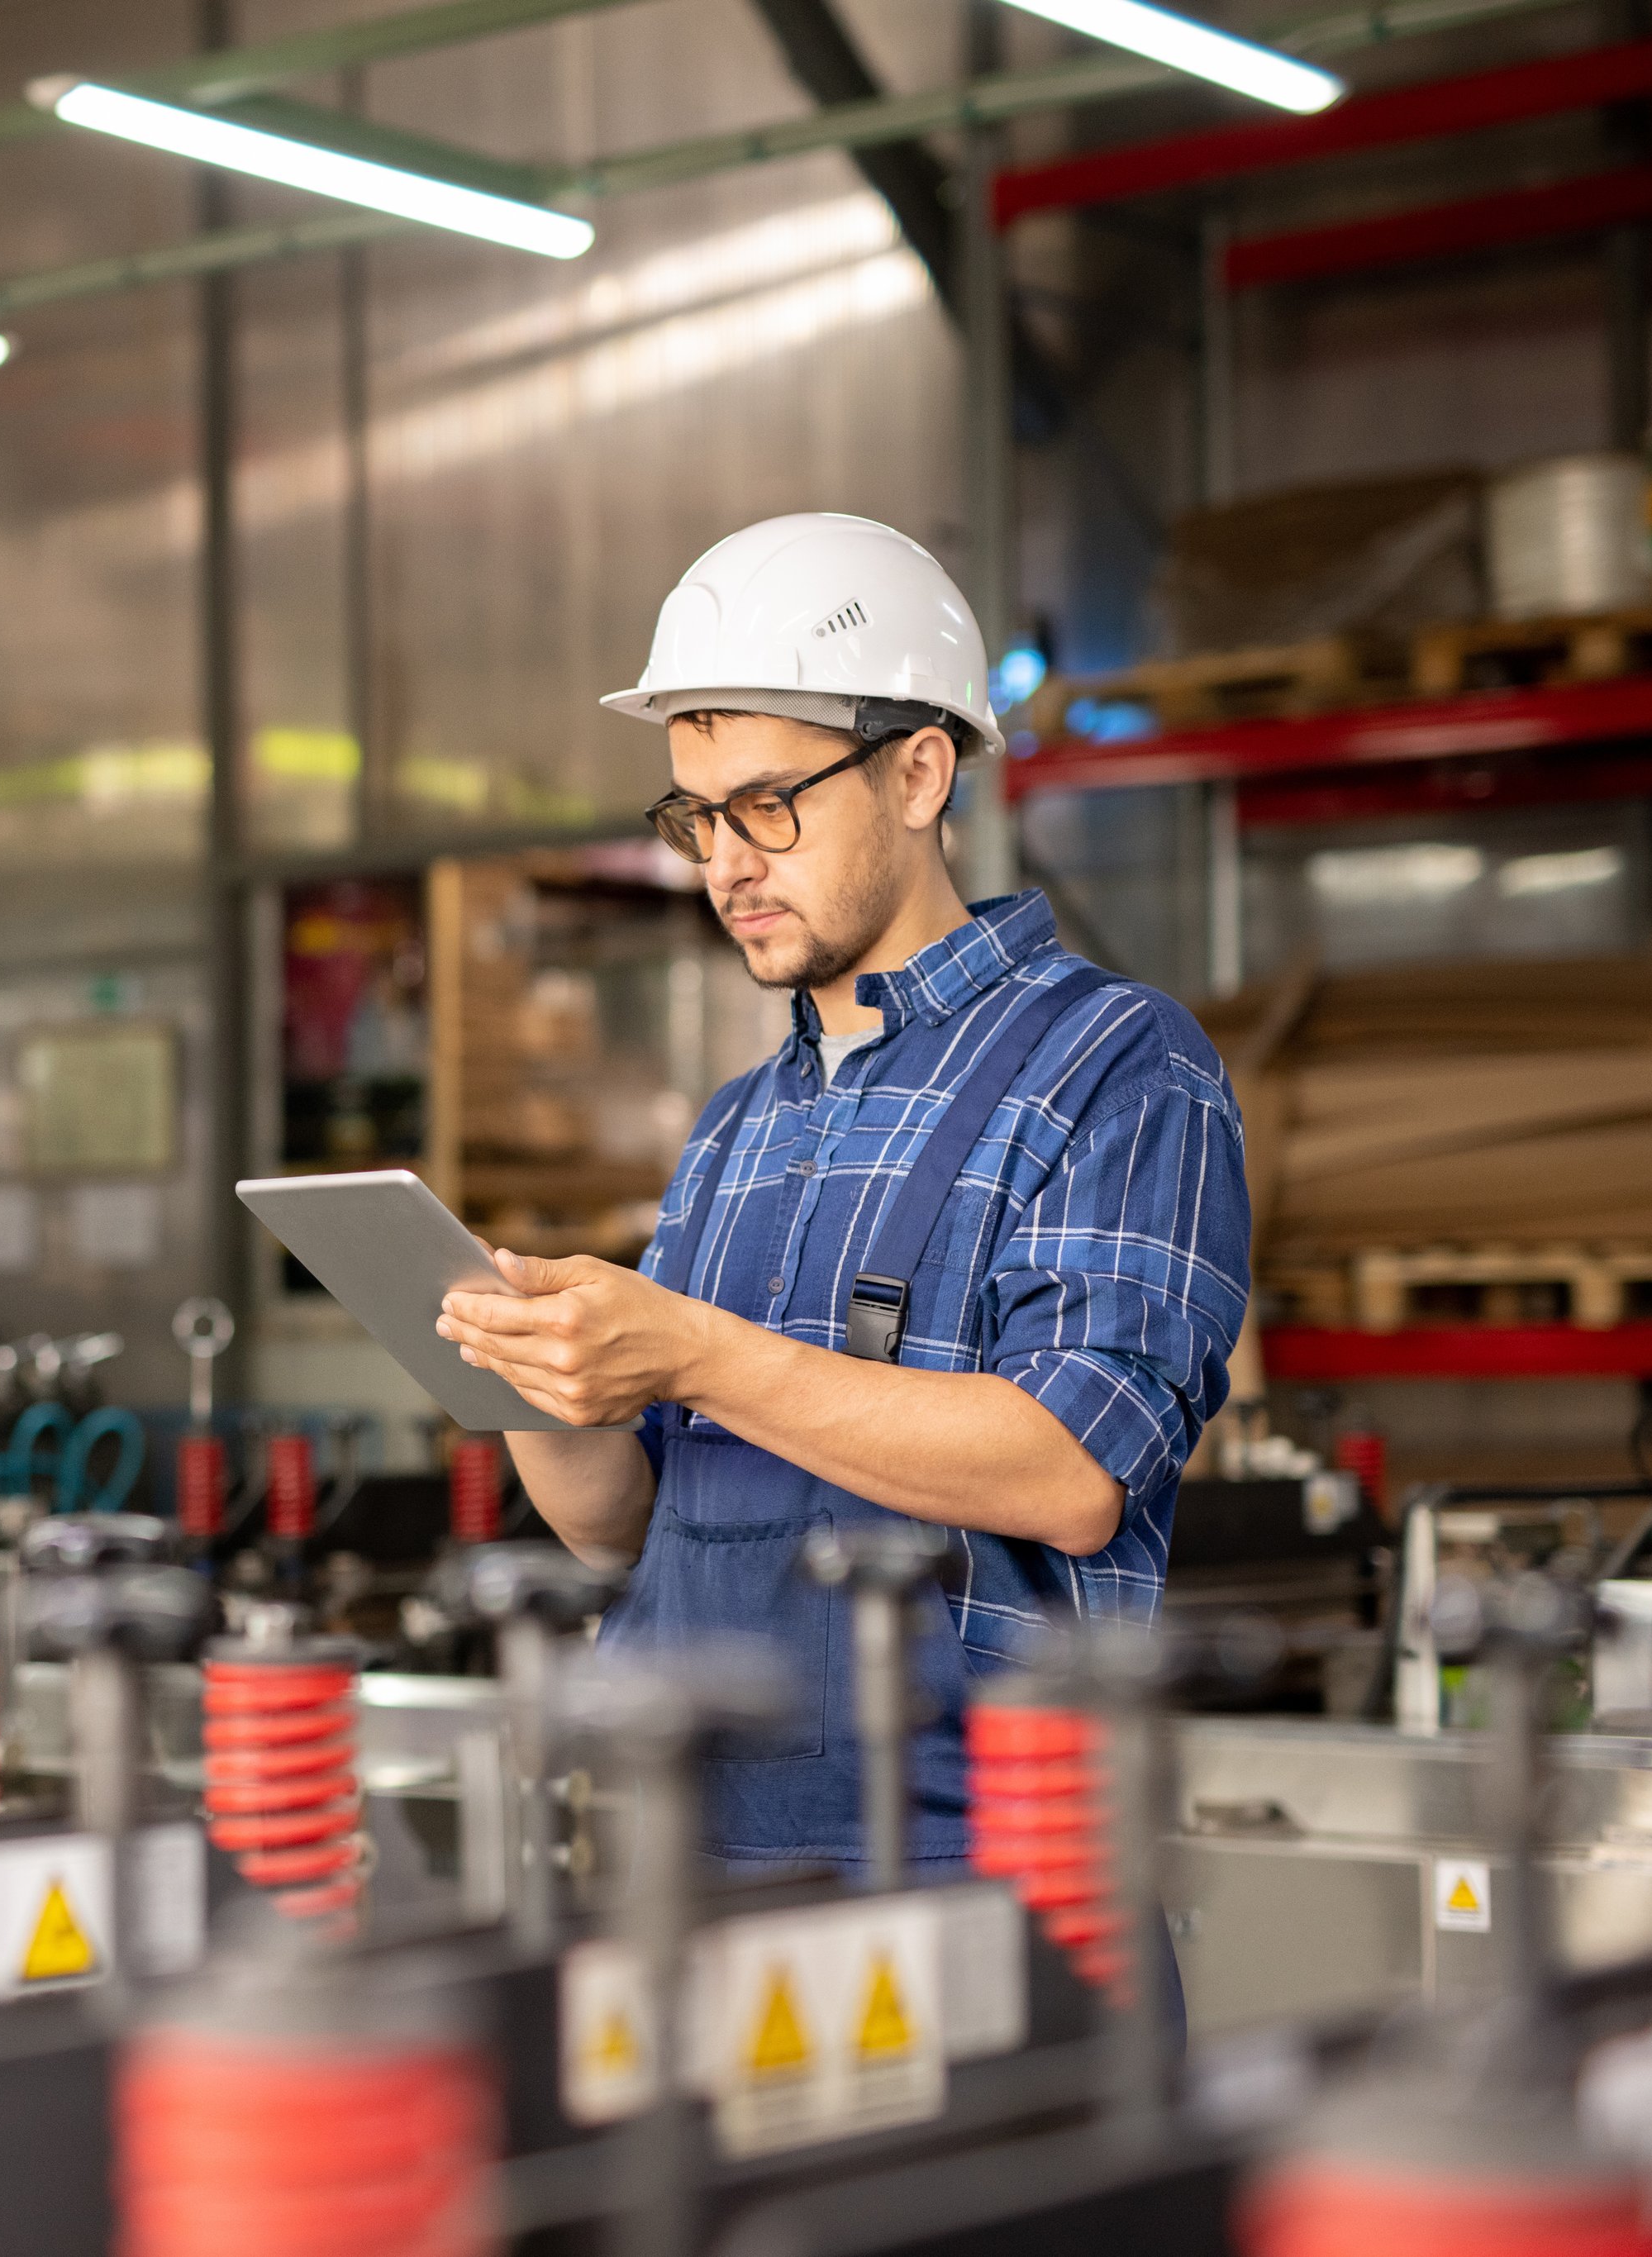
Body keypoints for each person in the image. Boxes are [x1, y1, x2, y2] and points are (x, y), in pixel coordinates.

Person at [436, 513, 1250, 1911]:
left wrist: (693, 1351)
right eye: (696, 817)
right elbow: (628, 1531)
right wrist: (532, 1380)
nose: (726, 866)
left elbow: (1068, 1475)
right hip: (703, 1863)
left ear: (922, 769)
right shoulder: (743, 1127)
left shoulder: (1117, 1064)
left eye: (769, 802)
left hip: (984, 1881)